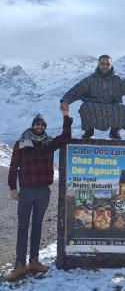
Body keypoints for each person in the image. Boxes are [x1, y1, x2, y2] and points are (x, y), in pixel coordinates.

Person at [7, 106, 73, 281]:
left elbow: (66, 137)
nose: (39, 126)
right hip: (26, 191)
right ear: (32, 126)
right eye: (37, 124)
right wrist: (13, 187)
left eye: (42, 124)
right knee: (23, 227)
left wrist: (66, 117)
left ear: (44, 126)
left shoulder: (49, 143)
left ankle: (34, 261)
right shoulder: (22, 143)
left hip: (43, 191)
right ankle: (20, 264)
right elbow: (13, 166)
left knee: (37, 226)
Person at [60, 54, 125, 139]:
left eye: (108, 64)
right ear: (98, 64)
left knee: (124, 109)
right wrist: (65, 101)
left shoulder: (119, 80)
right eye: (102, 64)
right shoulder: (91, 79)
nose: (105, 66)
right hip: (95, 109)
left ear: (111, 65)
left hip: (112, 109)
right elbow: (76, 90)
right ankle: (89, 132)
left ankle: (114, 132)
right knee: (85, 107)